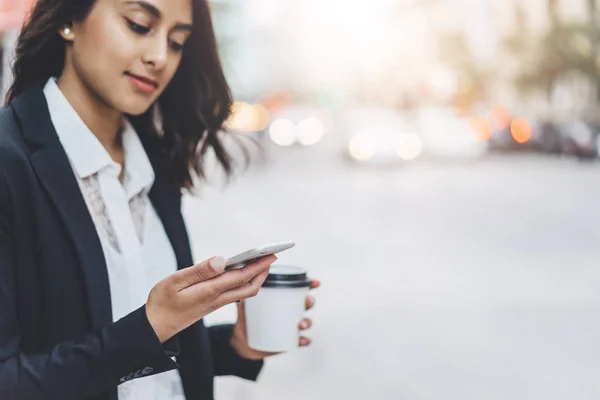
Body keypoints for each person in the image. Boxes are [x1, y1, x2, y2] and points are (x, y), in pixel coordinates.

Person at [0, 0, 320, 399]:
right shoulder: (9, 162)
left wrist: (233, 346)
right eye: (138, 25)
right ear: (69, 19)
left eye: (177, 42)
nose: (159, 57)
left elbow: (142, 362)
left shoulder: (153, 159)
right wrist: (151, 327)